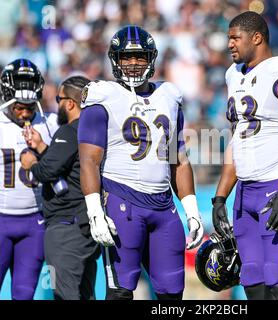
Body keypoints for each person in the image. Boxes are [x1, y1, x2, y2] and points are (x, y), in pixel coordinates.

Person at [77, 25, 204, 300]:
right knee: (121, 292)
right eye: (126, 57)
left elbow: (178, 158)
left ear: (152, 59)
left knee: (172, 294)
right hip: (123, 202)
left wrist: (192, 210)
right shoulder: (103, 96)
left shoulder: (169, 96)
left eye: (140, 57)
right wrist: (95, 211)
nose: (133, 64)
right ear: (115, 60)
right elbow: (88, 160)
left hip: (163, 207)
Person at [211, 11, 278, 300]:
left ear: (256, 38)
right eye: (228, 38)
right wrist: (220, 197)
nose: (229, 44)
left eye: (235, 38)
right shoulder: (233, 74)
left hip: (277, 184)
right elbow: (237, 140)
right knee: (252, 283)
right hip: (245, 191)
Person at [20, 75, 101, 300]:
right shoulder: (95, 132)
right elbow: (70, 167)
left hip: (66, 227)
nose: (57, 104)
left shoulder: (68, 131)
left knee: (63, 294)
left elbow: (47, 172)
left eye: (59, 99)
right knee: (86, 294)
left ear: (70, 103)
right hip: (86, 226)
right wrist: (42, 147)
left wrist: (31, 163)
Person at [0, 58, 58, 299]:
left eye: (29, 105)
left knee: (24, 294)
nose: (24, 112)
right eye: (18, 106)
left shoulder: (50, 124)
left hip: (35, 221)